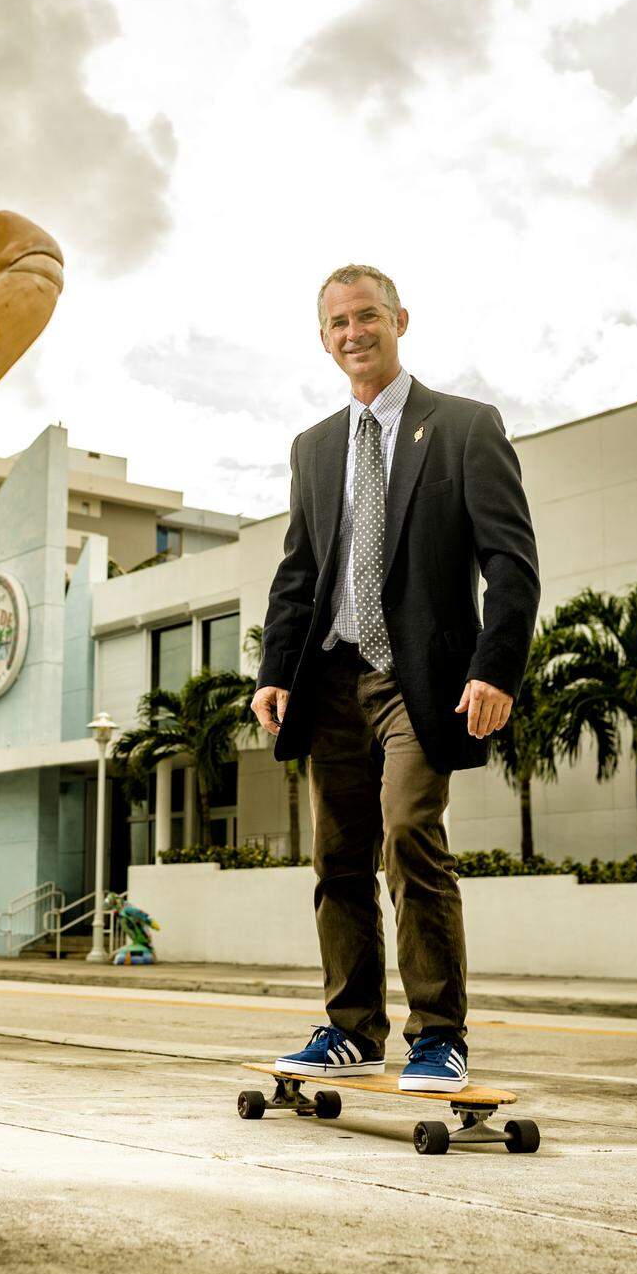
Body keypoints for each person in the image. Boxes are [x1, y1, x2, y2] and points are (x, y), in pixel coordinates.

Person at [251, 265, 539, 1091]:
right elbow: (299, 571)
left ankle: (439, 1035)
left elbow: (510, 564)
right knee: (336, 857)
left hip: (421, 681)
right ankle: (349, 1028)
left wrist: (496, 669)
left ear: (399, 320)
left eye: (368, 316)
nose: (354, 333)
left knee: (409, 833)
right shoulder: (313, 448)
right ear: (323, 338)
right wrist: (276, 670)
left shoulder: (463, 426)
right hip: (330, 677)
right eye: (338, 322)